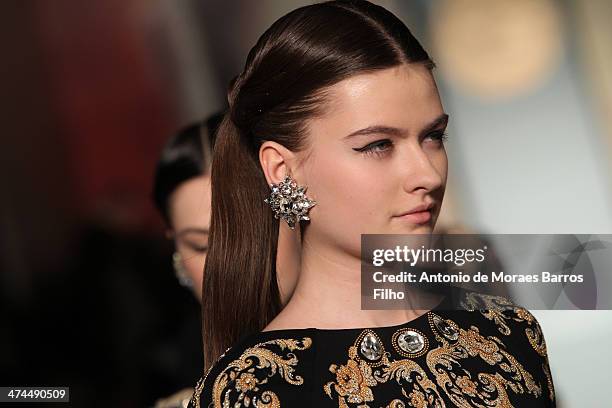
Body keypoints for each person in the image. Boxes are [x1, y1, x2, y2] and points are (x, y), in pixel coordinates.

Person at [190, 1, 556, 407]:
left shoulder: (508, 332)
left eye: (433, 136)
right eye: (377, 145)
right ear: (282, 168)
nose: (428, 175)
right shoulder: (253, 389)